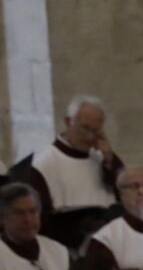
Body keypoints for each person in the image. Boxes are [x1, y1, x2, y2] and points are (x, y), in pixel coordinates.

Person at [12, 96, 121, 248]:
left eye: (96, 131)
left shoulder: (103, 158)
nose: (90, 136)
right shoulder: (42, 164)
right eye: (85, 128)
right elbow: (38, 219)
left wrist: (110, 161)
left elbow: (126, 194)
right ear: (68, 122)